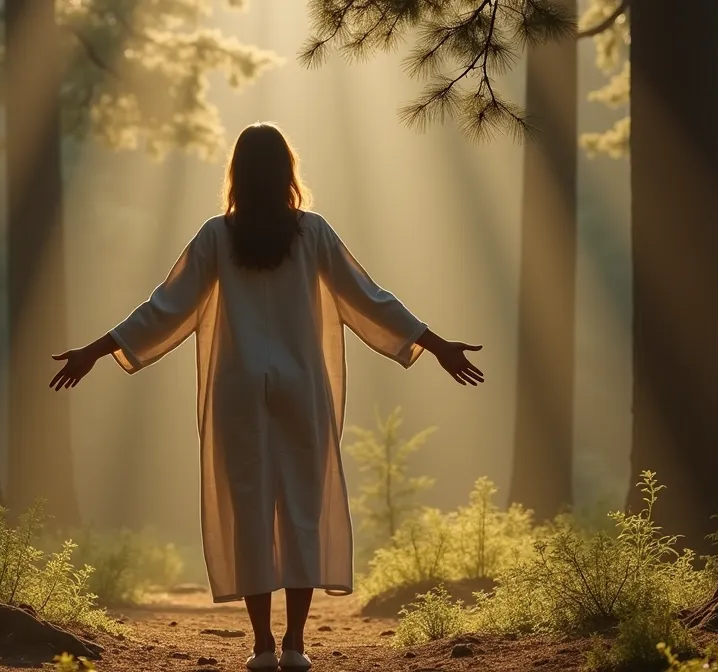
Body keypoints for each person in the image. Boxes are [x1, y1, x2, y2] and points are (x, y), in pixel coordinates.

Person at [49, 122, 484, 671]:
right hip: (302, 389)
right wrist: (435, 344)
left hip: (237, 391)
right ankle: (296, 645)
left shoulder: (216, 236)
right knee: (303, 505)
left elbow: (163, 307)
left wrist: (96, 350)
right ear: (286, 173)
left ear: (236, 173)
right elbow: (371, 299)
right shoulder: (312, 233)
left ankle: (260, 646)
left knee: (249, 510)